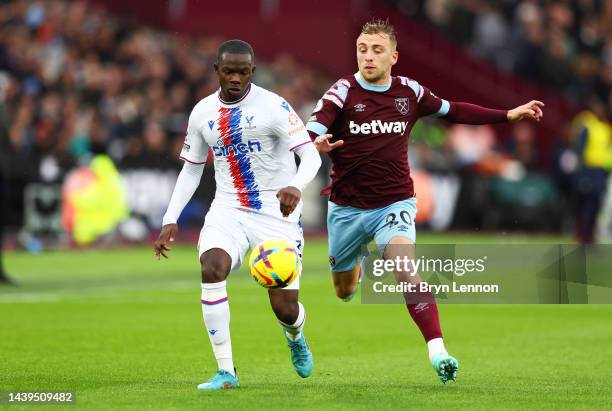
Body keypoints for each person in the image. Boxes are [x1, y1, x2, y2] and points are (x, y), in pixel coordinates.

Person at [306, 19, 544, 384]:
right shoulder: (341, 93)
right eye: (362, 49)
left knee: (405, 269)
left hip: (394, 204)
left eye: (376, 50)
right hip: (347, 209)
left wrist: (508, 114)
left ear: (394, 56)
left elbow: (455, 110)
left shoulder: (410, 93)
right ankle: (357, 265)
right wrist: (314, 145)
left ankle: (438, 351)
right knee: (344, 291)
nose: (367, 57)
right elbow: (309, 133)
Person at [154, 40, 321, 390]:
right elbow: (191, 169)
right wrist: (171, 216)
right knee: (211, 267)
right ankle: (226, 371)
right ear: (216, 70)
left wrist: (294, 185)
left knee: (285, 309)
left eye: (242, 72)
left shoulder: (274, 107)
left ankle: (296, 337)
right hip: (228, 209)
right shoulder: (202, 113)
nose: (235, 78)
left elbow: (311, 157)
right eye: (228, 71)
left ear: (253, 72)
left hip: (277, 214)